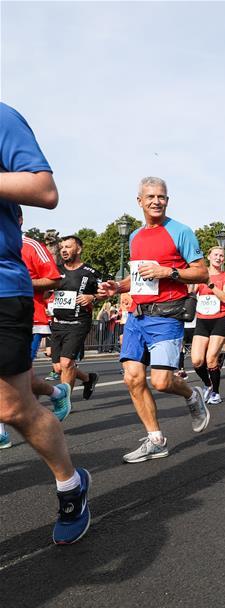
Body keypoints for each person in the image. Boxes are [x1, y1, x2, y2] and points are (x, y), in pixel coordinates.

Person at [0, 102, 90, 544]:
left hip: (4, 290)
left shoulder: (2, 117)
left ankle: (71, 486)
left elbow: (44, 189)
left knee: (10, 408)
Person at [97, 176, 211, 463]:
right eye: (150, 197)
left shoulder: (181, 231)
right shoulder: (135, 236)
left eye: (161, 197)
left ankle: (192, 395)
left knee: (161, 382)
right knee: (132, 378)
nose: (156, 201)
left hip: (166, 315)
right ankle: (156, 440)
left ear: (167, 200)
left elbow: (202, 273)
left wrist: (168, 272)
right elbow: (137, 277)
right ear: (140, 201)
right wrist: (117, 287)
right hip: (136, 316)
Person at [21, 229, 72, 422]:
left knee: (17, 375)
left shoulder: (30, 245)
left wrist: (21, 282)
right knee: (15, 376)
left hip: (30, 320)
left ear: (18, 219)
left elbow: (54, 279)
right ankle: (57, 393)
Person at [49, 235, 101, 400]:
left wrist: (92, 297)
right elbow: (46, 291)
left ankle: (64, 402)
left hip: (78, 323)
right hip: (57, 323)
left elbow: (105, 292)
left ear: (78, 249)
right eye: (62, 248)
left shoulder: (90, 272)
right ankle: (88, 378)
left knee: (66, 363)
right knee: (58, 368)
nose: (64, 250)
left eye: (68, 247)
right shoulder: (56, 270)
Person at [191, 246, 225, 405]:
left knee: (211, 359)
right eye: (215, 255)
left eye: (221, 256)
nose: (218, 258)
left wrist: (210, 283)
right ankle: (208, 384)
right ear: (208, 257)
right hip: (202, 320)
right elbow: (191, 292)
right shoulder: (201, 274)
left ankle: (216, 393)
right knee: (196, 361)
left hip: (220, 319)